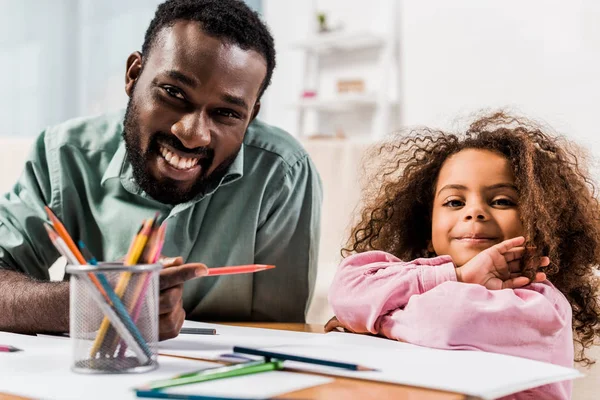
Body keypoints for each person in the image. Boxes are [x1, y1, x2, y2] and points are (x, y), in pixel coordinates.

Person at [0, 0, 322, 340]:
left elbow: (284, 338)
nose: (192, 133)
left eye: (227, 113)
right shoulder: (64, 154)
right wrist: (92, 304)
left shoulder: (285, 173)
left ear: (251, 117)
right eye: (173, 93)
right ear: (133, 75)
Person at [326, 112, 600, 399]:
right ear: (426, 226)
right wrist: (457, 275)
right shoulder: (432, 277)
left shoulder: (538, 304)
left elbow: (446, 321)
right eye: (454, 201)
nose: (474, 212)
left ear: (541, 222)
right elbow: (348, 287)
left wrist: (372, 321)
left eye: (502, 201)